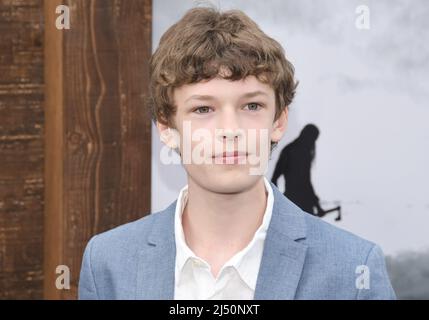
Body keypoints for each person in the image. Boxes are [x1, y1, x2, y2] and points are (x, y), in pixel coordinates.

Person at [78, 6, 396, 300]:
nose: (230, 129)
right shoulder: (108, 264)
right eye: (203, 108)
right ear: (166, 127)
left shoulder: (354, 268)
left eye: (251, 105)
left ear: (279, 120)